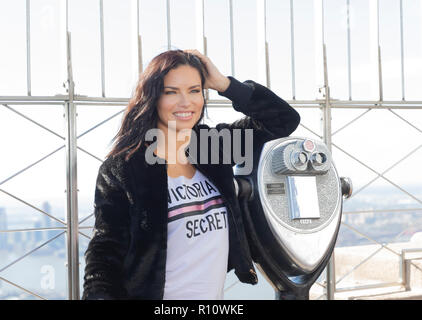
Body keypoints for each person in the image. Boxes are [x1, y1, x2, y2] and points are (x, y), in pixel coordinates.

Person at [82, 49, 301, 300]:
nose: (186, 102)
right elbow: (104, 254)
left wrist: (225, 84)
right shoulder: (125, 168)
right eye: (171, 92)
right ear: (152, 97)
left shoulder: (210, 147)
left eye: (195, 90)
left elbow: (282, 120)